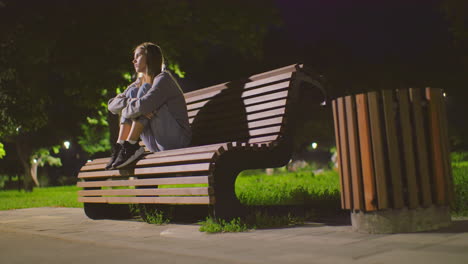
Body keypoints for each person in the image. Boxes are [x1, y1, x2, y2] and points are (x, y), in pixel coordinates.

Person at [105, 42, 191, 170]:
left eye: (138, 55)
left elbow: (143, 106)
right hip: (155, 143)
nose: (133, 60)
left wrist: (133, 108)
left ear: (150, 57)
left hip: (177, 141)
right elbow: (111, 106)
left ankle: (131, 145)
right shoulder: (137, 83)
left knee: (144, 91)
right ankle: (121, 146)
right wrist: (135, 107)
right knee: (135, 93)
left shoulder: (163, 79)